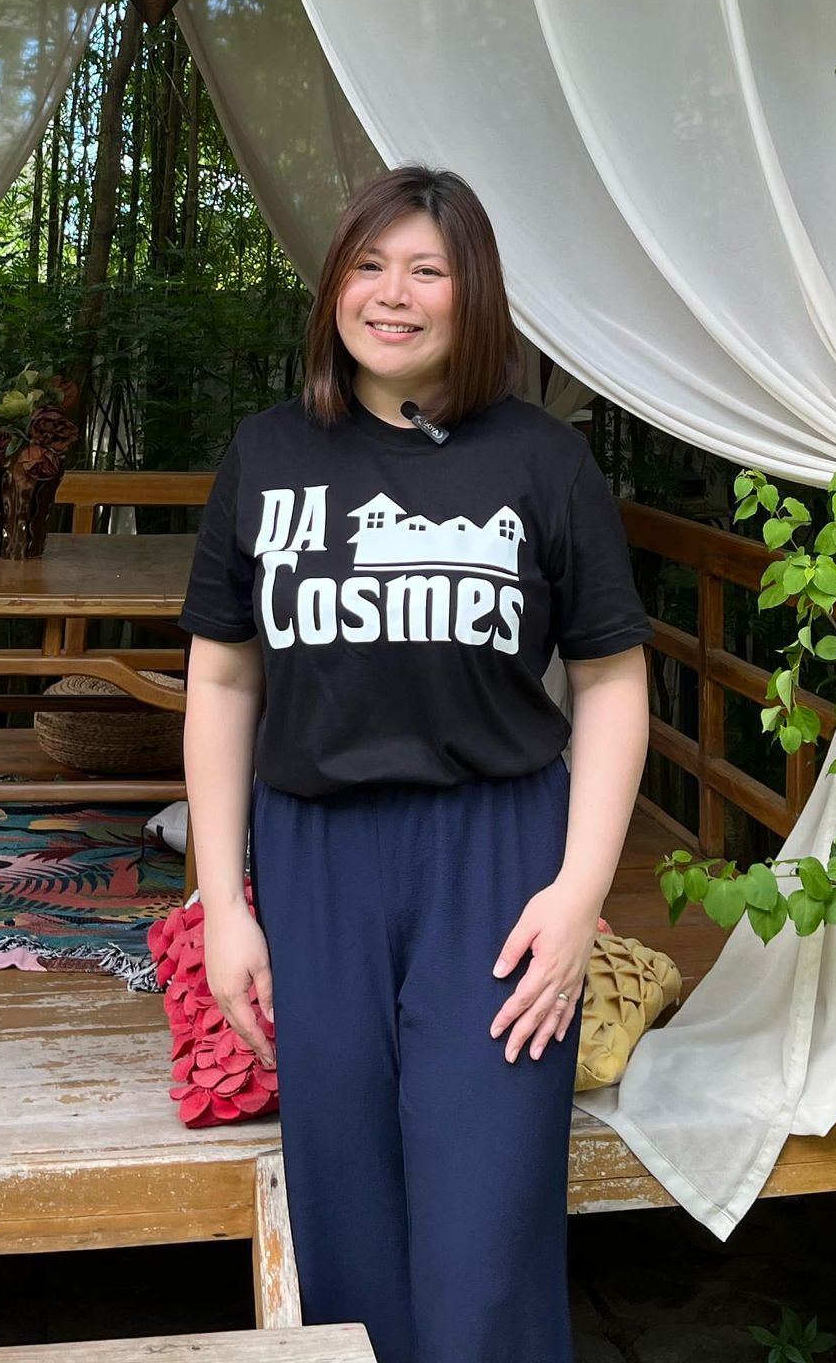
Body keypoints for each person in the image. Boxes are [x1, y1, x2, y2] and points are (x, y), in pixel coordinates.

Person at [180, 165, 653, 1363]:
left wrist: (580, 893)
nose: (392, 294)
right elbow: (224, 681)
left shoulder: (543, 462)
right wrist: (224, 904)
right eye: (369, 265)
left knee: (487, 1209)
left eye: (427, 270)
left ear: (471, 293)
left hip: (494, 856)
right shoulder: (266, 454)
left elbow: (610, 681)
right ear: (334, 286)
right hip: (316, 855)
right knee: (343, 1196)